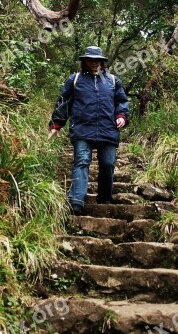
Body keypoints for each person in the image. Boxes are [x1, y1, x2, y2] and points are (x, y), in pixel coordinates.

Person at [48, 46, 129, 216]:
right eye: (90, 60)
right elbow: (64, 102)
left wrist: (121, 115)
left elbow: (121, 101)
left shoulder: (113, 80)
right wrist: (56, 124)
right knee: (82, 161)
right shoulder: (75, 79)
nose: (93, 63)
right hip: (82, 129)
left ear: (102, 62)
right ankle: (77, 200)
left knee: (108, 163)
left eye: (96, 60)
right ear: (85, 61)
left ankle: (105, 198)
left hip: (108, 129)